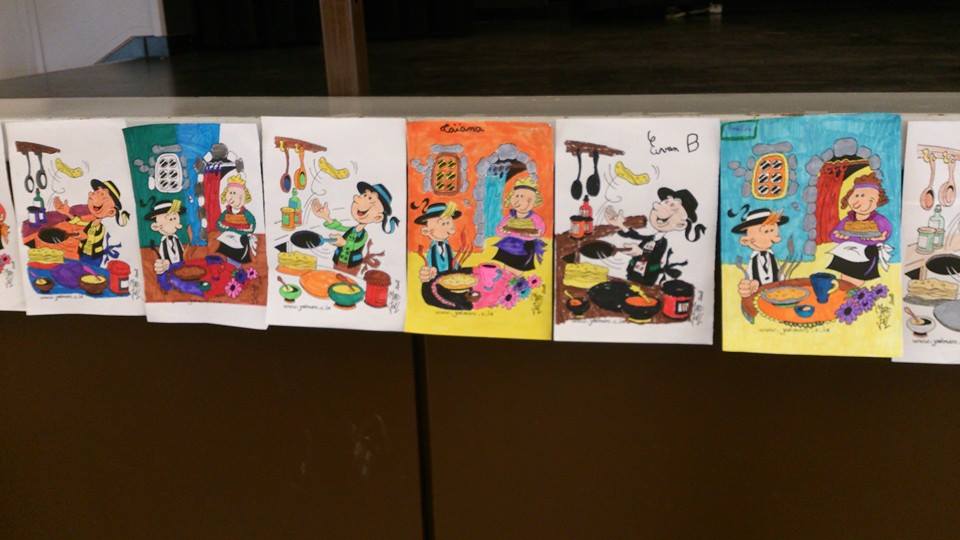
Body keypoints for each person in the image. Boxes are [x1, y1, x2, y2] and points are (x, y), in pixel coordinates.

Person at [605, 187, 706, 286]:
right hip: (633, 273)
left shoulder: (666, 243)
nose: (657, 206)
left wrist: (641, 252)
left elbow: (657, 258)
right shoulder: (652, 237)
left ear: (681, 225)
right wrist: (620, 225)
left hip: (647, 278)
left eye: (672, 206)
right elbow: (635, 235)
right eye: (665, 202)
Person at [311, 181, 399, 275]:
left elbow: (357, 245)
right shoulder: (351, 229)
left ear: (377, 217)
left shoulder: (364, 235)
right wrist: (326, 217)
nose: (357, 198)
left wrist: (344, 243)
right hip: (338, 261)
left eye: (369, 198)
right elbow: (339, 227)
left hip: (352, 265)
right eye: (364, 195)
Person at [826, 173, 893, 286]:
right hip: (847, 253)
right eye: (857, 195)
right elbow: (834, 235)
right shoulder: (848, 219)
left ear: (877, 202)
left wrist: (879, 238)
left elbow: (885, 232)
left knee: (857, 279)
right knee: (844, 277)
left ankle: (855, 292)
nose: (860, 201)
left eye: (870, 199)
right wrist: (839, 236)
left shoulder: (879, 220)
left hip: (866, 254)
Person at [53, 179, 130, 263]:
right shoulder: (91, 223)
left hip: (94, 258)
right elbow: (79, 222)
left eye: (102, 194)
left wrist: (85, 237)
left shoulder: (101, 228)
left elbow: (96, 239)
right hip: (82, 254)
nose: (92, 194)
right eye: (96, 192)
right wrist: (67, 213)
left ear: (111, 212)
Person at [729, 206, 789, 298]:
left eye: (772, 230)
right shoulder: (753, 260)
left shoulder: (772, 256)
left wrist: (785, 283)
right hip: (758, 297)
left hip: (776, 295)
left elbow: (779, 273)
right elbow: (749, 278)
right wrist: (750, 285)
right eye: (766, 231)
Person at [492, 176, 547, 271]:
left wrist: (533, 234)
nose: (519, 200)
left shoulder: (535, 218)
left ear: (533, 202)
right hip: (509, 244)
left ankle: (517, 277)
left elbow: (540, 230)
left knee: (519, 267)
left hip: (525, 245)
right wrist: (503, 231)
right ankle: (506, 275)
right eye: (517, 196)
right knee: (506, 263)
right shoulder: (510, 217)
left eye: (523, 197)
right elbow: (499, 229)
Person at [413, 200, 462, 282]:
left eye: (448, 223)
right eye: (443, 224)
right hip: (436, 281)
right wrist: (429, 272)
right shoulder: (432, 249)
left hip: (449, 279)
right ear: (427, 231)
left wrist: (457, 267)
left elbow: (452, 260)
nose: (450, 228)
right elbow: (429, 264)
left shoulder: (447, 246)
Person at [215, 174, 257, 265]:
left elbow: (252, 226)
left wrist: (239, 231)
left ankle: (236, 267)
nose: (232, 197)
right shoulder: (226, 212)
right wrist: (225, 229)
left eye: (235, 193)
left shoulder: (246, 214)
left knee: (239, 252)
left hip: (241, 240)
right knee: (225, 249)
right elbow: (219, 223)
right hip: (228, 239)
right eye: (230, 193)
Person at [146, 199, 186, 274]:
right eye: (170, 219)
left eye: (175, 218)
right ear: (157, 226)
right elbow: (162, 255)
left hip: (181, 267)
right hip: (169, 269)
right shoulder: (163, 242)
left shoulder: (177, 239)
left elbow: (182, 252)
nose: (174, 222)